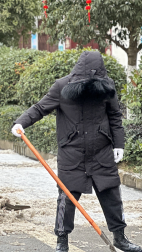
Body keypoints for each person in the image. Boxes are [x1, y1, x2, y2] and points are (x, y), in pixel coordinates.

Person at [11, 51, 142, 252]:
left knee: (112, 194)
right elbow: (40, 108)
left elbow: (115, 116)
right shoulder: (62, 86)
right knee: (66, 197)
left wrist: (119, 144)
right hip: (72, 151)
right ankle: (61, 241)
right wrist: (21, 122)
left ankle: (120, 237)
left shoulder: (107, 86)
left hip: (101, 151)